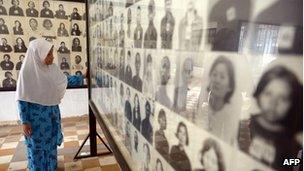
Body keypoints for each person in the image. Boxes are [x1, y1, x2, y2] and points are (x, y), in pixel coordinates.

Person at [16, 39, 84, 171]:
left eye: (51, 53)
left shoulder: (51, 69)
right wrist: (25, 122)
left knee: (51, 149)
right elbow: (22, 99)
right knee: (37, 151)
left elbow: (65, 80)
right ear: (38, 54)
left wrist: (83, 77)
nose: (52, 57)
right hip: (36, 123)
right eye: (48, 54)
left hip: (51, 119)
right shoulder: (27, 73)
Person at [248, 66, 302, 170]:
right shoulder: (242, 125)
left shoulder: (294, 148)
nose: (273, 103)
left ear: (292, 104)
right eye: (268, 94)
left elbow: (294, 164)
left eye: (283, 98)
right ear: (259, 94)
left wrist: (281, 162)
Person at [196, 56, 237, 145]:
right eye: (214, 74)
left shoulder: (231, 113)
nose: (216, 80)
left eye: (222, 77)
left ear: (230, 86)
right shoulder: (204, 105)